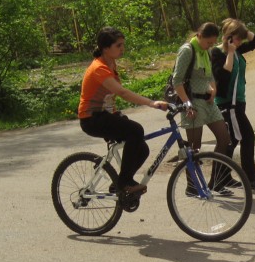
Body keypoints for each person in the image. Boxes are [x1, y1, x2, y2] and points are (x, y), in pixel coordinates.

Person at [78, 27, 169, 196]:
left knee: (142, 149)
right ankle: (124, 183)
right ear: (106, 48)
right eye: (118, 46)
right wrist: (152, 103)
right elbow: (122, 92)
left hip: (105, 115)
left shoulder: (110, 64)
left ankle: (120, 183)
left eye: (123, 45)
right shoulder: (99, 68)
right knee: (136, 130)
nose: (122, 49)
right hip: (92, 119)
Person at [210, 18, 255, 188]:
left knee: (230, 141)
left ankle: (220, 178)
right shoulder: (217, 53)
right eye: (237, 38)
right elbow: (222, 76)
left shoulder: (238, 49)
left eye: (241, 38)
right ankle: (250, 178)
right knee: (247, 136)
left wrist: (241, 28)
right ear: (227, 37)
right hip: (227, 103)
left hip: (238, 102)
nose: (241, 41)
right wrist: (231, 52)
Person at [172, 22, 230, 159]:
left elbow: (209, 75)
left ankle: (216, 178)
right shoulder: (187, 50)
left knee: (224, 139)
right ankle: (191, 180)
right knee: (194, 148)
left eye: (213, 43)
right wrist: (187, 104)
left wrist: (213, 89)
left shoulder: (207, 51)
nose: (211, 46)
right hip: (193, 102)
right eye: (209, 42)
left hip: (208, 102)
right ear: (199, 36)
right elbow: (177, 80)